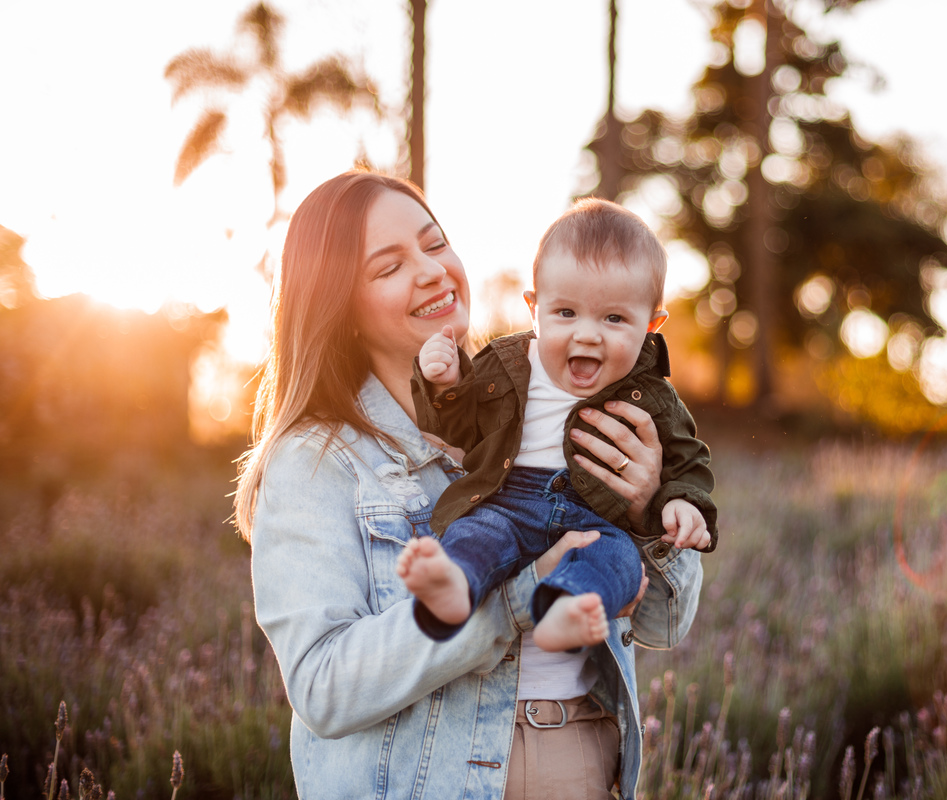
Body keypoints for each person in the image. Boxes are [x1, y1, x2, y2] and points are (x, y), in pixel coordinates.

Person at [235, 170, 704, 800]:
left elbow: (665, 625)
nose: (432, 270)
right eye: (388, 266)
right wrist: (520, 597)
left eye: (434, 244)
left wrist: (647, 509)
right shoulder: (318, 460)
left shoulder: (559, 397)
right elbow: (323, 687)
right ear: (338, 308)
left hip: (585, 757)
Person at [398, 198, 718, 654]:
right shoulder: (507, 364)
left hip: (596, 517)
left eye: (614, 318)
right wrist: (446, 383)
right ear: (534, 308)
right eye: (565, 313)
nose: (586, 334)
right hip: (507, 501)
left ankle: (568, 606)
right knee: (476, 535)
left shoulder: (654, 398)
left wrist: (683, 503)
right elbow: (461, 429)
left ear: (651, 325)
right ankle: (454, 586)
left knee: (621, 560)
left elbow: (689, 461)